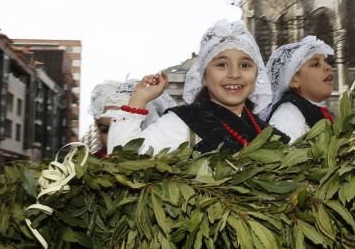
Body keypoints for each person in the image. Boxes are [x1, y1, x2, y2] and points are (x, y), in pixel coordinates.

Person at [107, 20, 282, 154]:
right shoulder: (185, 121)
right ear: (203, 77)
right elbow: (124, 159)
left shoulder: (266, 132)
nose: (234, 74)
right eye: (222, 65)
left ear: (257, 75)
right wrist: (139, 99)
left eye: (245, 65)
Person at [262, 36, 336, 143]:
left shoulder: (316, 110)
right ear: (294, 80)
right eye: (315, 64)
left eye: (325, 61)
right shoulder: (287, 115)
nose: (328, 67)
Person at [84, 80, 176, 156]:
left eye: (127, 127)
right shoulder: (86, 169)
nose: (114, 135)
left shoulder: (170, 171)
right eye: (105, 130)